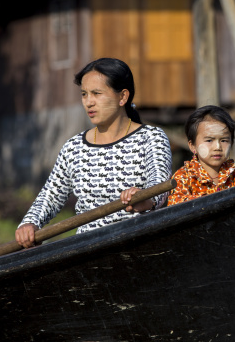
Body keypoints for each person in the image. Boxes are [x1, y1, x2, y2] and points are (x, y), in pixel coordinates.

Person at [15, 58, 172, 248]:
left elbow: (160, 185)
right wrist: (29, 223)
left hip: (139, 243)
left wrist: (146, 198)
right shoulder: (73, 147)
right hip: (88, 249)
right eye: (84, 94)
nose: (88, 102)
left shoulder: (151, 137)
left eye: (96, 93)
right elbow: (50, 196)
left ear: (123, 97)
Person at [168, 105, 235, 206]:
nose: (217, 147)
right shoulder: (184, 177)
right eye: (209, 140)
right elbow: (176, 208)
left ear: (232, 143)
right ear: (192, 146)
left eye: (224, 140)